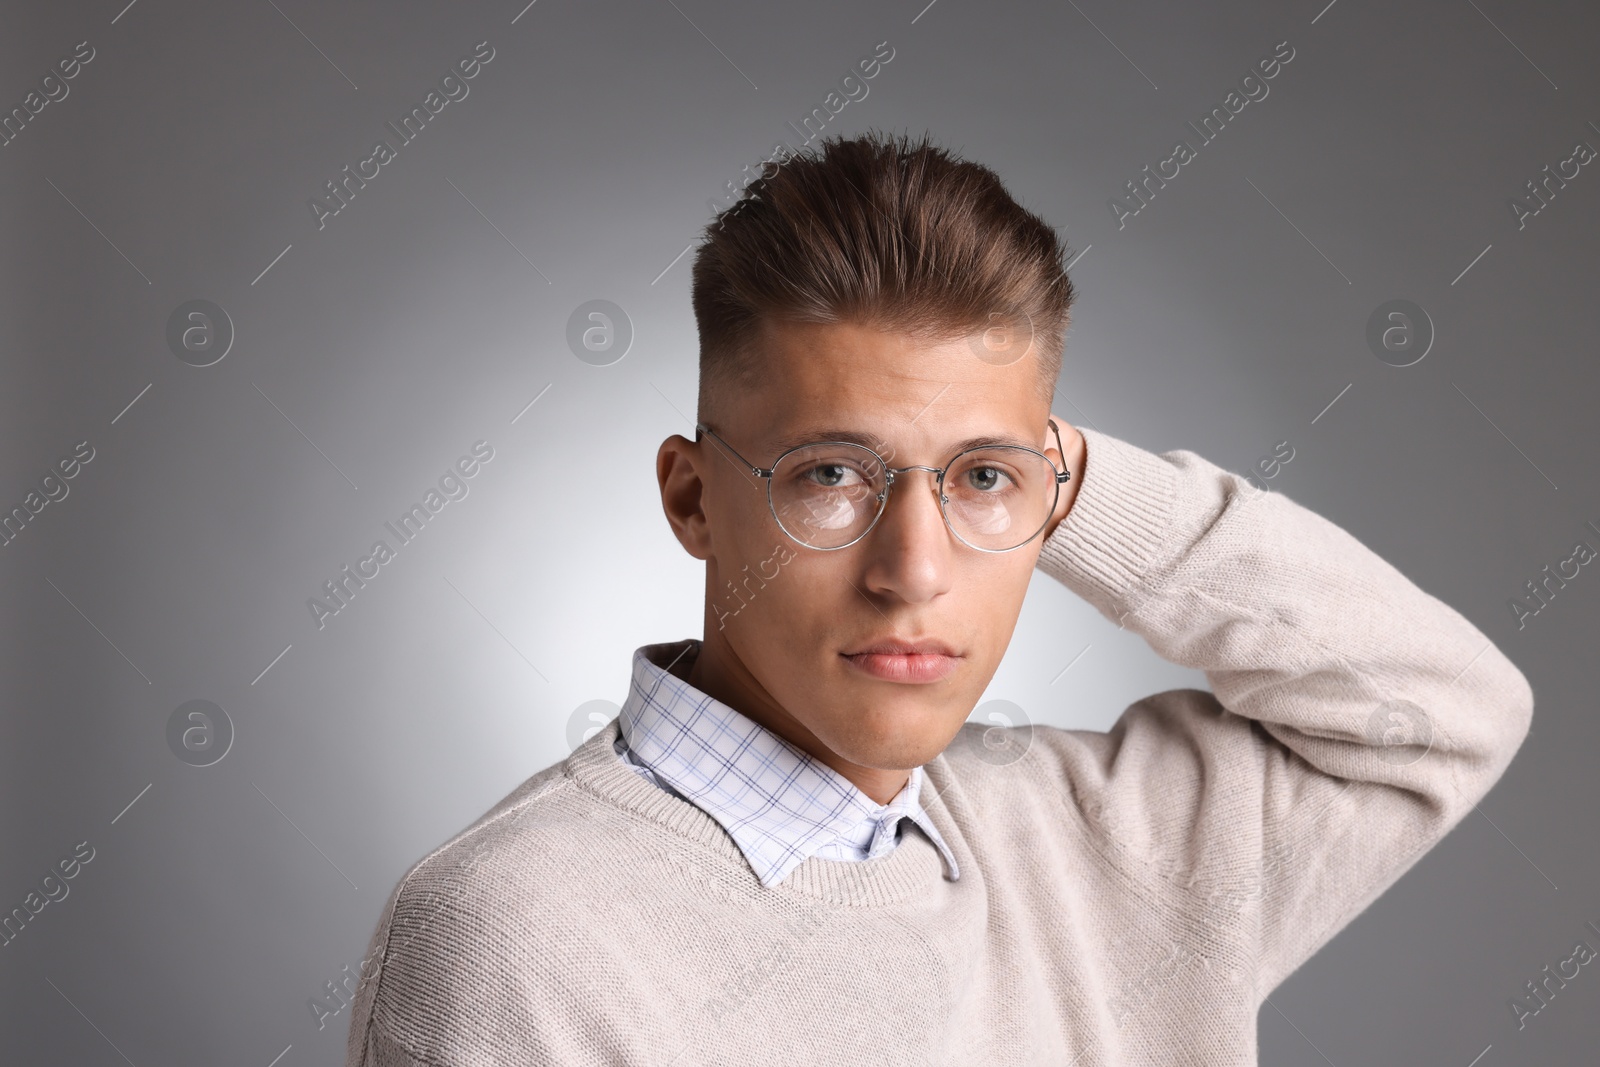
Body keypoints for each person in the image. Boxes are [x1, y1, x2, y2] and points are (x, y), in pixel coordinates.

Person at [343, 130, 1533, 1066]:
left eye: (982, 480)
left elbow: (1440, 710)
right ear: (694, 500)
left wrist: (1071, 476)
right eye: (829, 475)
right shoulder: (513, 936)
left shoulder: (1101, 847)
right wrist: (982, 453)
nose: (912, 569)